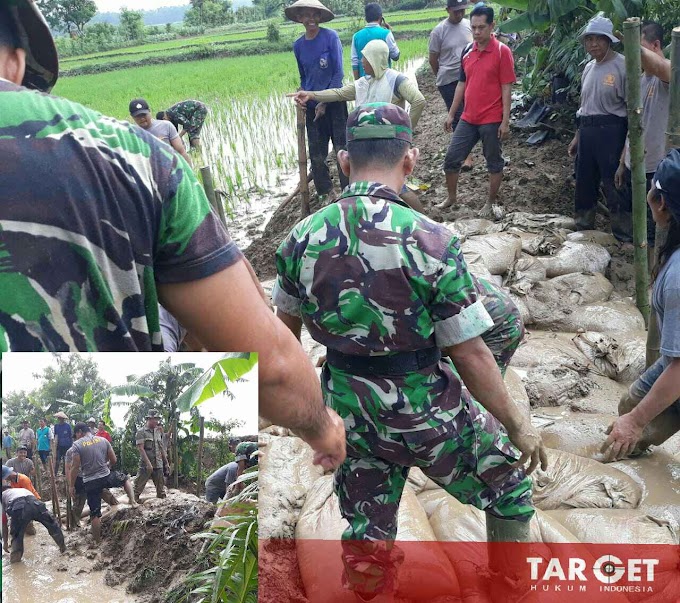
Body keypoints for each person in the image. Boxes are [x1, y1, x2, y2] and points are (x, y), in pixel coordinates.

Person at [0, 1, 346, 473]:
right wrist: (323, 430)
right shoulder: (134, 159)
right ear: (17, 59)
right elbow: (275, 369)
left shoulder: (166, 134)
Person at [274, 102, 547, 602]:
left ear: (342, 160)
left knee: (366, 535)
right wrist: (517, 424)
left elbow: (281, 345)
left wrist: (306, 419)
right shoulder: (433, 240)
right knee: (507, 486)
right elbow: (472, 354)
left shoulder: (299, 239)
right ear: (412, 160)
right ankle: (510, 591)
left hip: (347, 411)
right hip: (427, 412)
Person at [603, 150, 680, 462]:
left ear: (660, 203)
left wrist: (635, 423)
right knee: (628, 406)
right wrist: (632, 414)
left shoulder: (677, 277)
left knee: (634, 417)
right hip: (671, 362)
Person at [290, 39, 426, 211]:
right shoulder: (364, 83)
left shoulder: (396, 80)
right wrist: (311, 95)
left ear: (376, 59)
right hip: (364, 145)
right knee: (378, 185)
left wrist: (405, 132)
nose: (362, 61)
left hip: (387, 144)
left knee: (396, 187)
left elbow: (419, 101)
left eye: (365, 58)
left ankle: (423, 220)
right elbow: (338, 93)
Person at [438, 4, 515, 220]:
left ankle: (490, 202)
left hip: (491, 118)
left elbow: (506, 87)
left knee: (493, 162)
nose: (477, 32)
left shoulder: (502, 52)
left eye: (482, 27)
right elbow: (462, 84)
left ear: (492, 26)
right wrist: (451, 114)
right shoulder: (467, 51)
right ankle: (452, 198)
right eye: (473, 27)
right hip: (468, 118)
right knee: (451, 159)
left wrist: (505, 121)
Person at [567, 15, 631, 242]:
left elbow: (632, 110)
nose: (593, 44)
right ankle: (583, 228)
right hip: (587, 132)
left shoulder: (623, 65)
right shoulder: (588, 67)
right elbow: (584, 106)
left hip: (611, 131)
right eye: (589, 39)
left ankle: (623, 235)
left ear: (609, 40)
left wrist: (626, 150)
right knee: (584, 181)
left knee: (615, 183)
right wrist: (577, 137)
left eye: (598, 39)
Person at [615, 21, 671, 251]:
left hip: (656, 166)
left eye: (638, 47)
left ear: (656, 45)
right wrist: (622, 162)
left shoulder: (668, 75)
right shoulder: (640, 80)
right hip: (634, 164)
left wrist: (632, 46)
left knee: (656, 227)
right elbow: (633, 127)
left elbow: (661, 67)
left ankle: (652, 274)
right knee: (638, 220)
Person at [287, 0, 349, 203]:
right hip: (313, 107)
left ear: (320, 17)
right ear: (299, 18)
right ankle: (326, 193)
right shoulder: (298, 46)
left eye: (315, 15)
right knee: (316, 152)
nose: (310, 19)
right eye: (306, 15)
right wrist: (302, 98)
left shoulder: (330, 37)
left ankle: (349, 190)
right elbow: (304, 78)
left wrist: (325, 101)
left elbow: (338, 72)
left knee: (342, 147)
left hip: (335, 102)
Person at [68, 422, 136, 542]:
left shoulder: (77, 445)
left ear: (79, 432)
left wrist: (71, 485)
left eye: (76, 434)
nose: (76, 436)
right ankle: (133, 501)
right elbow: (114, 460)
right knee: (125, 479)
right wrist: (107, 466)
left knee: (95, 514)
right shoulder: (103, 440)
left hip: (90, 481)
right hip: (105, 475)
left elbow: (75, 467)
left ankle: (97, 541)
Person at [428, 0, 473, 171]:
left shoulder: (469, 25)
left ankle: (467, 150)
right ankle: (467, 157)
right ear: (448, 10)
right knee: (459, 116)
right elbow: (433, 59)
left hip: (469, 78)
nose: (459, 14)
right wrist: (441, 74)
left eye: (462, 10)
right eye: (456, 11)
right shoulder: (439, 31)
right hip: (448, 80)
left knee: (470, 113)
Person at [2, 483, 66, 563]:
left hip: (19, 507)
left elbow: (4, 523)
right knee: (53, 525)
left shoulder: (2, 496)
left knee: (17, 536)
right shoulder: (20, 490)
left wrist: (5, 543)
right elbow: (29, 506)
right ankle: (63, 549)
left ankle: (16, 562)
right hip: (36, 504)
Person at [65, 440, 119, 529]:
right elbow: (68, 468)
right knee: (79, 503)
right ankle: (74, 526)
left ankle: (117, 507)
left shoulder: (93, 446)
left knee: (104, 492)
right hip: (80, 479)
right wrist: (70, 483)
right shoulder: (71, 451)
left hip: (93, 476)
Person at [129, 98, 193, 166]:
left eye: (144, 115)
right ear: (132, 117)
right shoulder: (132, 134)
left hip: (171, 169)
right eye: (138, 116)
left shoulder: (166, 126)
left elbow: (181, 151)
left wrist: (190, 173)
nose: (142, 118)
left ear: (149, 111)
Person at [351, 2, 399, 80]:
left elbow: (355, 63)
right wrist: (390, 34)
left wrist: (357, 83)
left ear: (366, 19)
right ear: (381, 18)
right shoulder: (386, 33)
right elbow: (395, 56)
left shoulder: (356, 36)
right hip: (384, 81)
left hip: (364, 82)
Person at [134, 410, 169, 503]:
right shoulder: (141, 432)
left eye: (158, 419)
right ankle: (132, 506)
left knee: (161, 491)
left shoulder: (158, 431)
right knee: (137, 489)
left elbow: (161, 447)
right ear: (150, 419)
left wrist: (166, 463)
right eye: (155, 419)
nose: (157, 422)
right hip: (146, 465)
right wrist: (148, 464)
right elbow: (141, 449)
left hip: (158, 463)